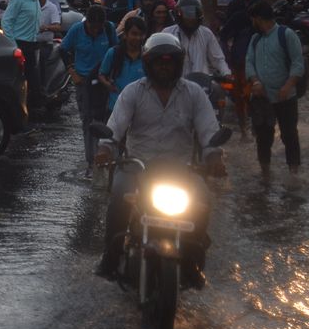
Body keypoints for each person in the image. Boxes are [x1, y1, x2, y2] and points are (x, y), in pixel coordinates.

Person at [95, 32, 223, 287]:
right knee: (119, 196)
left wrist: (215, 157)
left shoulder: (194, 94)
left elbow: (209, 131)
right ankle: (110, 257)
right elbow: (116, 126)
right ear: (149, 64)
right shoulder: (132, 92)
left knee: (203, 199)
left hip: (181, 170)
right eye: (159, 62)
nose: (165, 67)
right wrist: (106, 149)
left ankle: (192, 261)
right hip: (138, 167)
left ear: (178, 63)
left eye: (170, 62)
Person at [245, 1, 304, 179]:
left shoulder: (286, 35)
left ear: (259, 19)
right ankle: (265, 172)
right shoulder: (255, 39)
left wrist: (287, 86)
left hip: (286, 97)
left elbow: (297, 63)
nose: (252, 23)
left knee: (289, 135)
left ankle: (294, 173)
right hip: (263, 99)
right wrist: (255, 81)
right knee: (263, 138)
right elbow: (249, 62)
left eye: (252, 19)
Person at [61, 5, 118, 178]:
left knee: (106, 120)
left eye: (98, 28)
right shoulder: (77, 30)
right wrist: (72, 72)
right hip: (84, 81)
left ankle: (106, 157)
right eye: (92, 27)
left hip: (103, 80)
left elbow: (116, 52)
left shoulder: (109, 29)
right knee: (88, 121)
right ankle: (91, 161)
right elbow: (63, 49)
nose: (95, 31)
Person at [219, 0, 261, 130]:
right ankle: (244, 127)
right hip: (240, 57)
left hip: (259, 58)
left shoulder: (262, 8)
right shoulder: (236, 10)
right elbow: (225, 34)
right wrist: (227, 56)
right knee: (241, 94)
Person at [2, 0, 47, 110]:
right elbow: (6, 21)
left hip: (32, 45)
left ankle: (32, 113)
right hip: (20, 45)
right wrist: (13, 46)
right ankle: (21, 114)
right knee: (22, 82)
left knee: (33, 82)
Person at [163, 0, 230, 79]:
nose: (190, 19)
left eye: (194, 14)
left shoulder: (206, 33)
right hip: (175, 85)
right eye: (187, 14)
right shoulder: (168, 33)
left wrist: (226, 73)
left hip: (202, 86)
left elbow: (218, 59)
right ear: (178, 15)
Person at [98, 16, 147, 116]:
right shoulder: (113, 53)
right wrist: (108, 85)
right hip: (115, 107)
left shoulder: (147, 56)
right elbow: (101, 75)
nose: (138, 38)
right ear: (125, 34)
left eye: (140, 35)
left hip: (140, 109)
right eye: (134, 34)